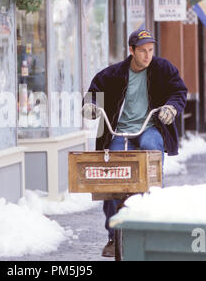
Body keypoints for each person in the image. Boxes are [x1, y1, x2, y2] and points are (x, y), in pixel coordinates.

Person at [82, 29, 188, 257]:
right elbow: (94, 92)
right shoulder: (113, 74)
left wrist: (172, 107)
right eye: (142, 51)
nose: (148, 55)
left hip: (148, 127)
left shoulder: (163, 68)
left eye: (150, 50)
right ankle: (113, 235)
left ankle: (153, 202)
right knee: (112, 179)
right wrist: (90, 105)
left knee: (151, 148)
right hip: (119, 131)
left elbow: (179, 90)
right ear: (131, 51)